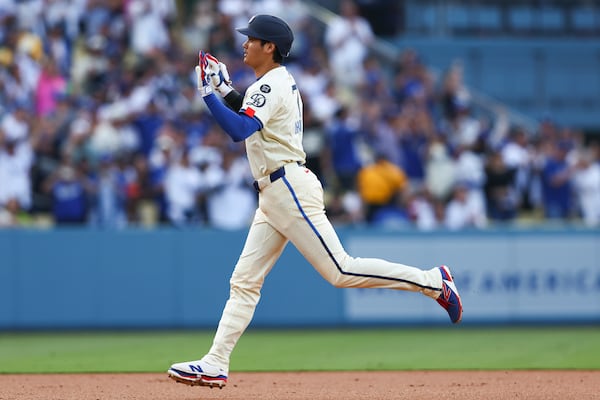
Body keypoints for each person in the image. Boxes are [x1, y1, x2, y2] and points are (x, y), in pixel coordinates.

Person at [167, 14, 463, 390]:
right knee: (244, 281)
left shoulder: (270, 84)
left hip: (287, 187)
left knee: (341, 270)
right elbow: (249, 117)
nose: (245, 44)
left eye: (252, 39)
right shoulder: (273, 83)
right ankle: (215, 362)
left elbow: (239, 129)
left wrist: (209, 95)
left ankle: (434, 282)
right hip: (275, 192)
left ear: (269, 47)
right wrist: (225, 91)